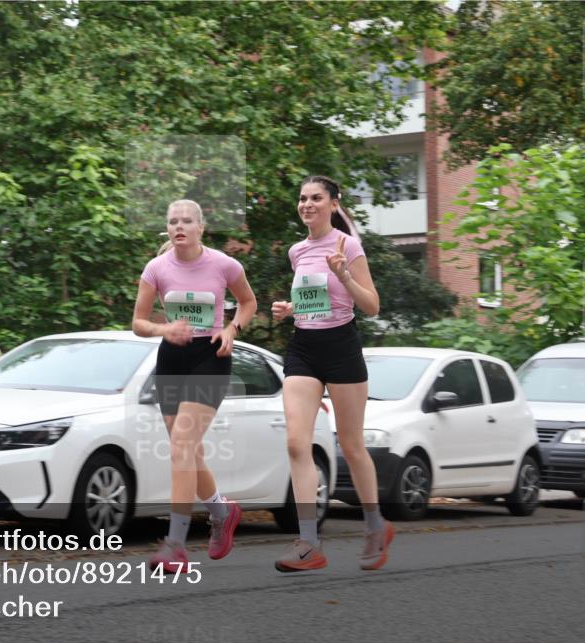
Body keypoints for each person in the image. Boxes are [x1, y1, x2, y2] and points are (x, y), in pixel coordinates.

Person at [270, 175, 393, 572]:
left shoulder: (348, 245)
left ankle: (375, 525)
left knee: (353, 445)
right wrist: (291, 309)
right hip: (304, 347)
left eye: (316, 198)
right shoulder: (296, 251)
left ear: (334, 203)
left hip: (341, 347)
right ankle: (308, 543)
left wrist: (343, 274)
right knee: (294, 442)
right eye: (302, 198)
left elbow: (371, 305)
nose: (307, 204)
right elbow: (313, 299)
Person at [132, 199, 258, 573]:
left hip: (211, 357)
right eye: (173, 221)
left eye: (187, 221)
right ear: (167, 229)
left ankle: (176, 545)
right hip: (172, 358)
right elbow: (138, 322)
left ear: (201, 227)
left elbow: (248, 302)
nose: (179, 226)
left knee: (182, 447)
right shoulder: (156, 268)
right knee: (187, 451)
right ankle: (222, 511)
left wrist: (232, 328)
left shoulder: (224, 264)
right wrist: (163, 328)